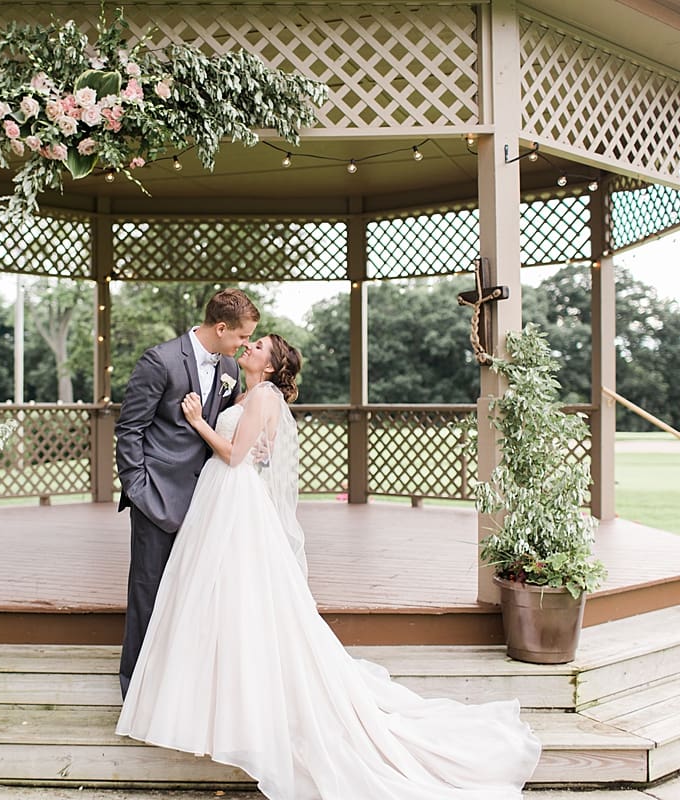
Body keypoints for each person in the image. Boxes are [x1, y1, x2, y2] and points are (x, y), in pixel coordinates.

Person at [117, 334, 542, 799]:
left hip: (235, 499)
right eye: (249, 341)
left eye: (257, 345)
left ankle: (239, 702)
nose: (248, 348)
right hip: (220, 499)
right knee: (218, 592)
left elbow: (236, 455)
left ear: (273, 364)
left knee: (238, 591)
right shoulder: (239, 387)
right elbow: (254, 449)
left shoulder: (262, 395)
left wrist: (198, 422)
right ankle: (213, 695)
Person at [115, 288, 260, 698]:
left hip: (208, 500)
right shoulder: (159, 361)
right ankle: (136, 690)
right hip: (157, 498)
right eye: (242, 336)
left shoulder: (230, 365)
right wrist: (139, 489)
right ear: (220, 327)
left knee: (193, 593)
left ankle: (178, 687)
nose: (244, 344)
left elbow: (230, 423)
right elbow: (130, 431)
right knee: (148, 591)